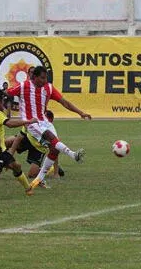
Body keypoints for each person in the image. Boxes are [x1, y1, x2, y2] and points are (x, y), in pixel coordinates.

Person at [6, 66, 91, 194]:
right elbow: (7, 93)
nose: (45, 80)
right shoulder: (24, 86)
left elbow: (64, 102)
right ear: (34, 77)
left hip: (44, 121)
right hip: (32, 123)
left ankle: (38, 179)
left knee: (55, 148)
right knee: (52, 139)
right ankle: (73, 155)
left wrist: (81, 113)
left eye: (46, 78)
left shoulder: (48, 88)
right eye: (42, 78)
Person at [5, 110, 65, 185]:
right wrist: (9, 157)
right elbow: (18, 138)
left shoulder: (51, 134)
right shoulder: (32, 123)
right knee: (7, 141)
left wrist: (56, 173)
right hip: (28, 140)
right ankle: (0, 162)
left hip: (38, 149)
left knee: (32, 174)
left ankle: (50, 169)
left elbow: (55, 151)